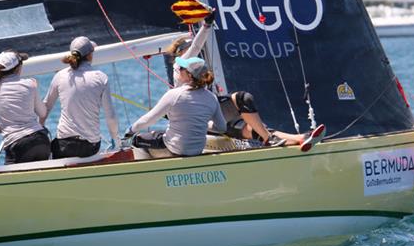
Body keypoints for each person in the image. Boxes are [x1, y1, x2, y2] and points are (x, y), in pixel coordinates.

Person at [163, 11, 313, 148]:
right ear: (180, 52)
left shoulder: (196, 68)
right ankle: (272, 139)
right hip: (201, 119)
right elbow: (196, 46)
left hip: (213, 112)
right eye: (187, 48)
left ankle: (299, 139)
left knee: (252, 121)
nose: (195, 52)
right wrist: (207, 25)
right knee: (245, 111)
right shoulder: (179, 65)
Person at [128, 56, 226, 157]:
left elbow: (149, 120)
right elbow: (222, 128)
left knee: (136, 140)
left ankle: (152, 172)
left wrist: (131, 130)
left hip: (174, 149)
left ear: (189, 75)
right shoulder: (211, 97)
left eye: (181, 68)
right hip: (197, 151)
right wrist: (201, 122)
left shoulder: (173, 94)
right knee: (159, 135)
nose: (178, 69)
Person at [42, 36, 120, 159]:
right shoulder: (101, 77)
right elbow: (110, 117)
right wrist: (116, 140)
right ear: (90, 55)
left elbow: (45, 108)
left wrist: (40, 132)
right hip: (91, 147)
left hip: (64, 146)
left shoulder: (60, 76)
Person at [0, 50, 50, 164]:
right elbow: (42, 113)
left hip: (17, 144)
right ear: (18, 68)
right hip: (41, 139)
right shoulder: (30, 84)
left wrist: (7, 128)